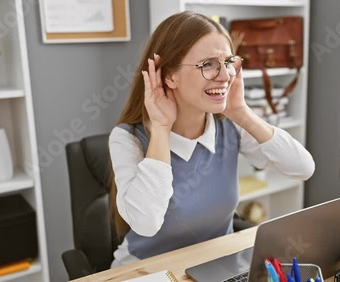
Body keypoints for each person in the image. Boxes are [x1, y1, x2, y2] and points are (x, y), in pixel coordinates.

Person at [108, 11, 315, 267]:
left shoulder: (229, 127)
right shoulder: (127, 138)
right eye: (208, 64)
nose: (225, 75)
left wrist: (242, 112)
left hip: (216, 264)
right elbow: (147, 224)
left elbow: (303, 168)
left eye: (228, 62)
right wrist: (161, 129)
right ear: (169, 76)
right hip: (147, 269)